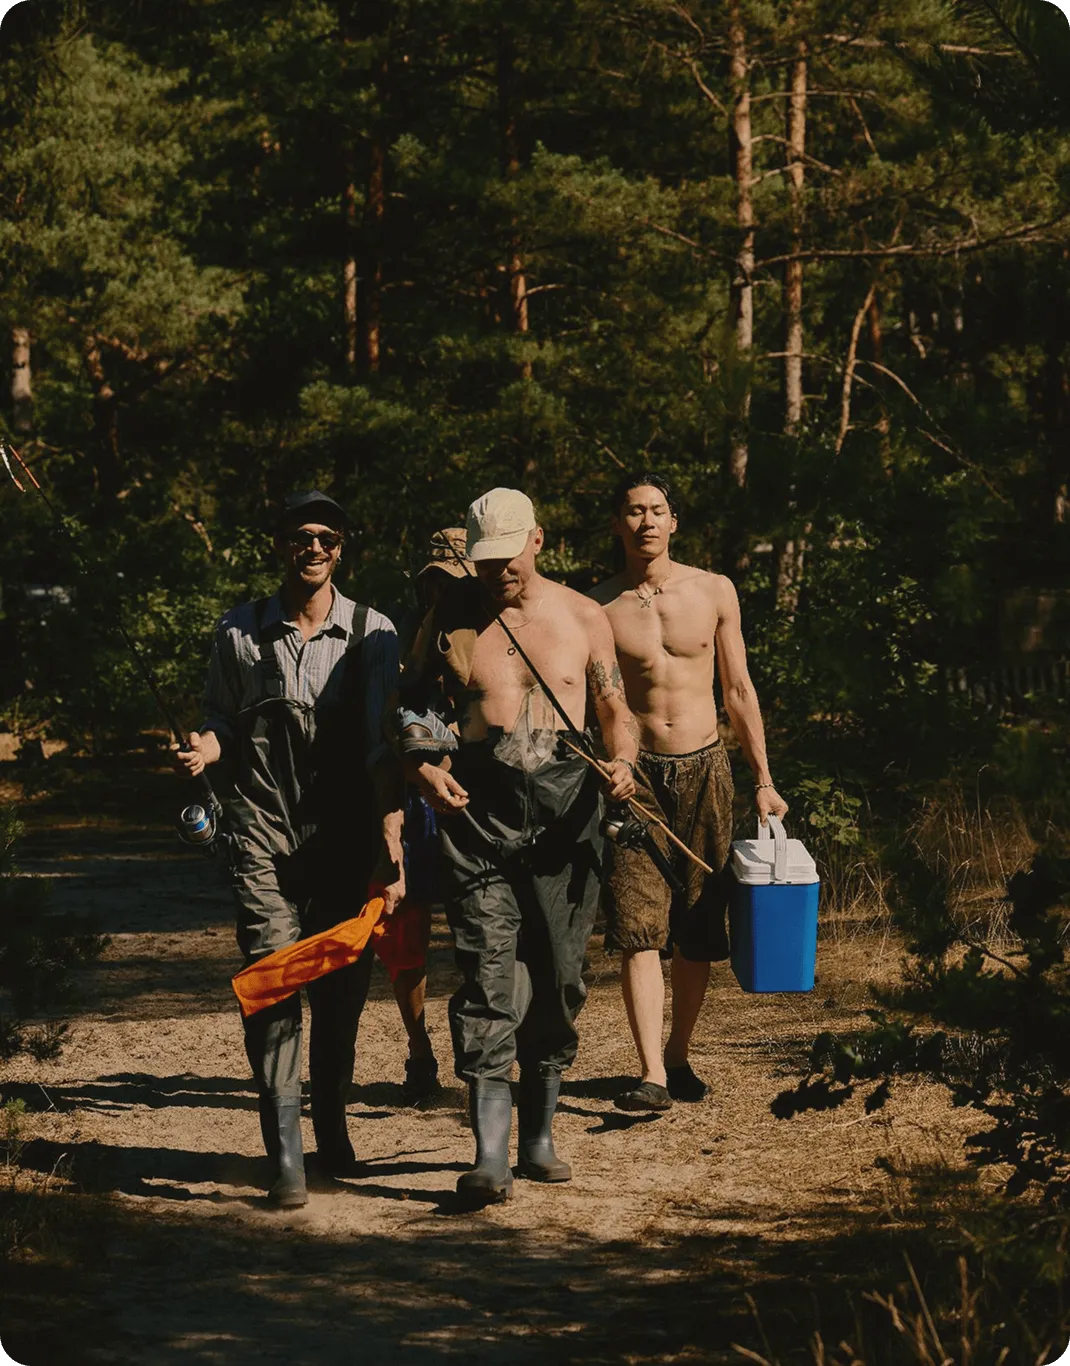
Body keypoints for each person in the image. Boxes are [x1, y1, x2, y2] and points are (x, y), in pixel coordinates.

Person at [396, 487, 639, 1206]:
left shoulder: (584, 615)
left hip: (568, 815)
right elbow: (413, 708)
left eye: (506, 555)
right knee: (486, 977)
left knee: (560, 982)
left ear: (538, 540)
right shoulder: (449, 619)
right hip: (479, 816)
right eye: (483, 559)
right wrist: (425, 767)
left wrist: (622, 762)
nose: (496, 570)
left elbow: (612, 705)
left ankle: (539, 1132)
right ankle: (489, 1155)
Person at [172, 490, 405, 1208]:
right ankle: (287, 1158)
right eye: (301, 535)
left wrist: (392, 846)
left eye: (327, 538)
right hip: (261, 837)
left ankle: (332, 1130)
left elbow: (387, 746)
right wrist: (206, 747)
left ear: (343, 548)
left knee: (341, 992)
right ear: (280, 542)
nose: (314, 548)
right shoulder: (238, 631)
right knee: (273, 983)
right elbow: (222, 717)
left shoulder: (376, 632)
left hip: (346, 839)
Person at [588, 472, 789, 1112]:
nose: (646, 521)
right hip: (634, 777)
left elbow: (738, 691)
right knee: (639, 925)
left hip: (706, 767)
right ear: (616, 526)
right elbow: (591, 701)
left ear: (674, 522)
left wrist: (763, 779)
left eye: (657, 510)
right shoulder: (597, 608)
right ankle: (649, 1073)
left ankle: (677, 1055)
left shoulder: (714, 590)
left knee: (698, 924)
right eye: (633, 512)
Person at [390, 527, 474, 1102]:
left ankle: (478, 1050)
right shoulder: (403, 633)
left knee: (481, 930)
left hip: (475, 792)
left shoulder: (500, 627)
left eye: (455, 580)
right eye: (435, 582)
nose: (443, 591)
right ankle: (420, 1050)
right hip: (416, 796)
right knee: (407, 933)